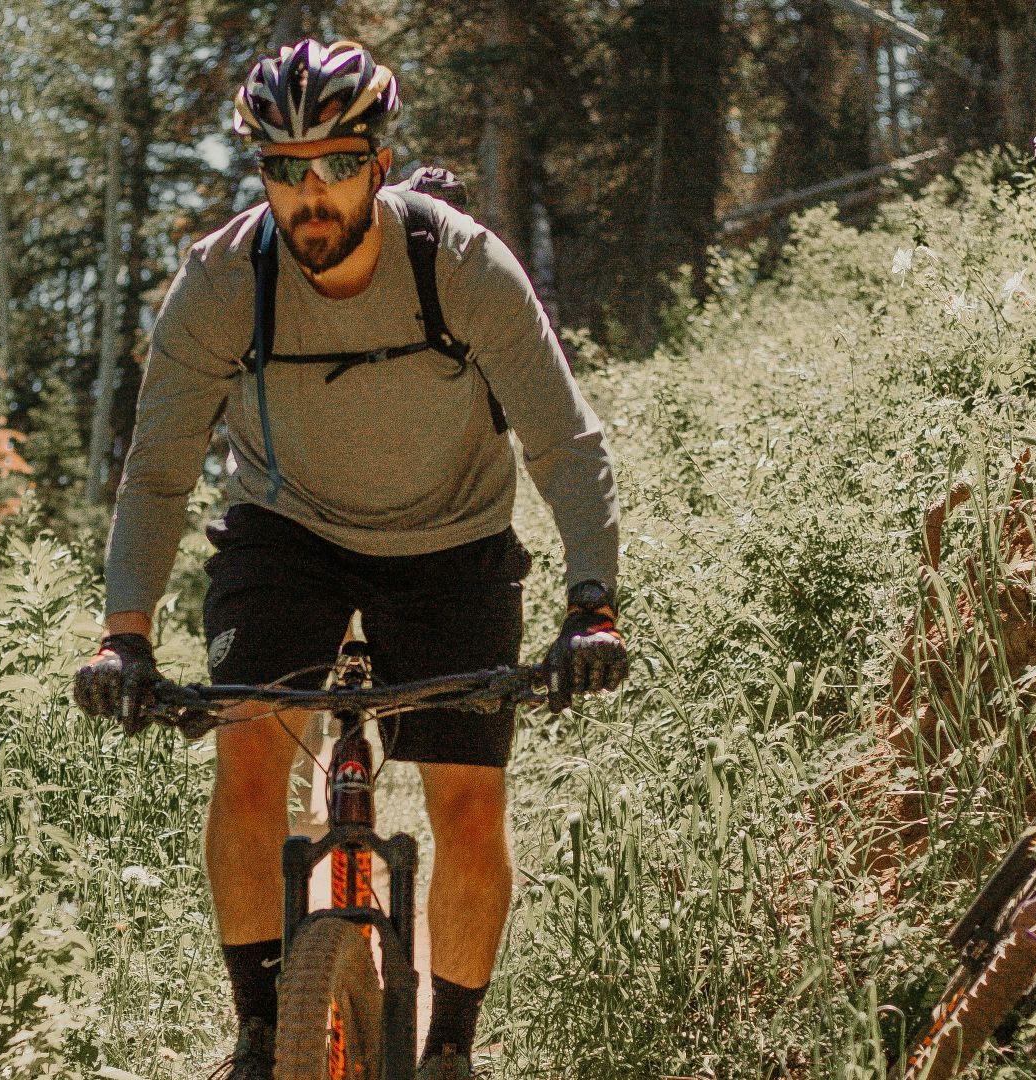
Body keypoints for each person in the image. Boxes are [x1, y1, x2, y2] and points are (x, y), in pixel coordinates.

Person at [72, 38, 629, 1080]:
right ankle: (255, 1033)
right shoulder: (222, 283)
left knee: (467, 798)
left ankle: (453, 1049)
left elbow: (567, 443)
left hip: (453, 537)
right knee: (246, 756)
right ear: (263, 179)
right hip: (291, 534)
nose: (310, 195)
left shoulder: (459, 266)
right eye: (285, 171)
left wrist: (590, 604)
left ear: (377, 163)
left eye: (333, 164)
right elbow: (156, 475)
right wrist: (124, 636)